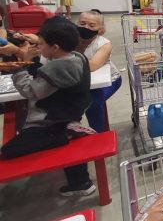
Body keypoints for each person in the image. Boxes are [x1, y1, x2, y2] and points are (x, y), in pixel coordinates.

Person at [0, 17, 96, 196]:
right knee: (65, 138)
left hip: (53, 118)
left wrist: (21, 65)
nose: (38, 46)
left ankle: (66, 134)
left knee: (9, 151)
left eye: (41, 43)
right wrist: (36, 51)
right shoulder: (76, 57)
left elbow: (31, 91)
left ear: (55, 47)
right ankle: (80, 182)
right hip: (70, 112)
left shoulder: (59, 67)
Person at [76, 9, 122, 132]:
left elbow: (92, 66)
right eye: (82, 23)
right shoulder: (71, 40)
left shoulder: (104, 44)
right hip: (82, 81)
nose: (85, 27)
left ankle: (99, 134)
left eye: (91, 25)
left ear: (100, 29)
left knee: (92, 102)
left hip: (110, 80)